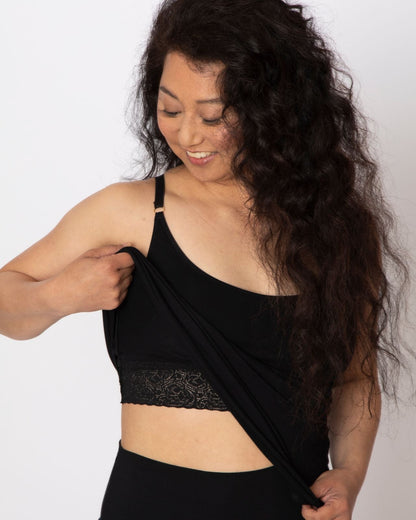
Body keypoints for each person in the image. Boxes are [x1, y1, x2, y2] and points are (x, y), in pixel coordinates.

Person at [0, 0, 411, 519]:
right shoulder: (131, 211)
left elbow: (355, 377)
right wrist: (60, 294)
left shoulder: (337, 229)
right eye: (171, 110)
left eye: (213, 116)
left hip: (288, 505)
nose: (188, 135)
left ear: (275, 110)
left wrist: (349, 475)